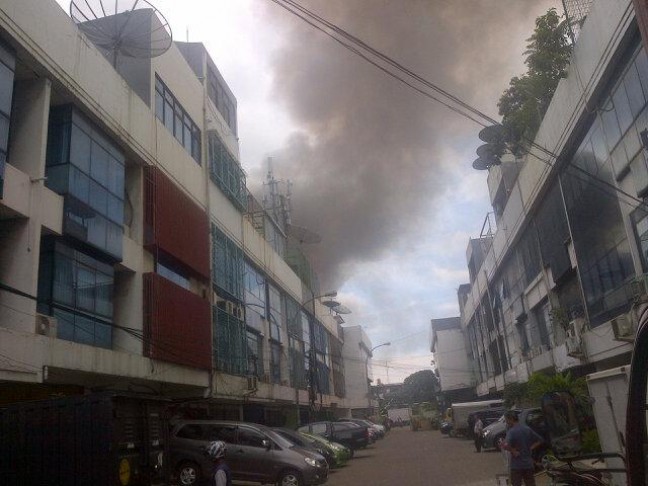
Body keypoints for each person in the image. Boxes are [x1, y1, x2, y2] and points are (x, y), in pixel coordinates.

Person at [501, 410, 544, 486]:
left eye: (506, 420)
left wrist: (512, 450)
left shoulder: (511, 432)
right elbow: (540, 440)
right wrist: (531, 447)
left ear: (511, 419)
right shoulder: (527, 429)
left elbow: (504, 445)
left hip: (516, 466)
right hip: (528, 464)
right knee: (531, 484)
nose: (506, 422)